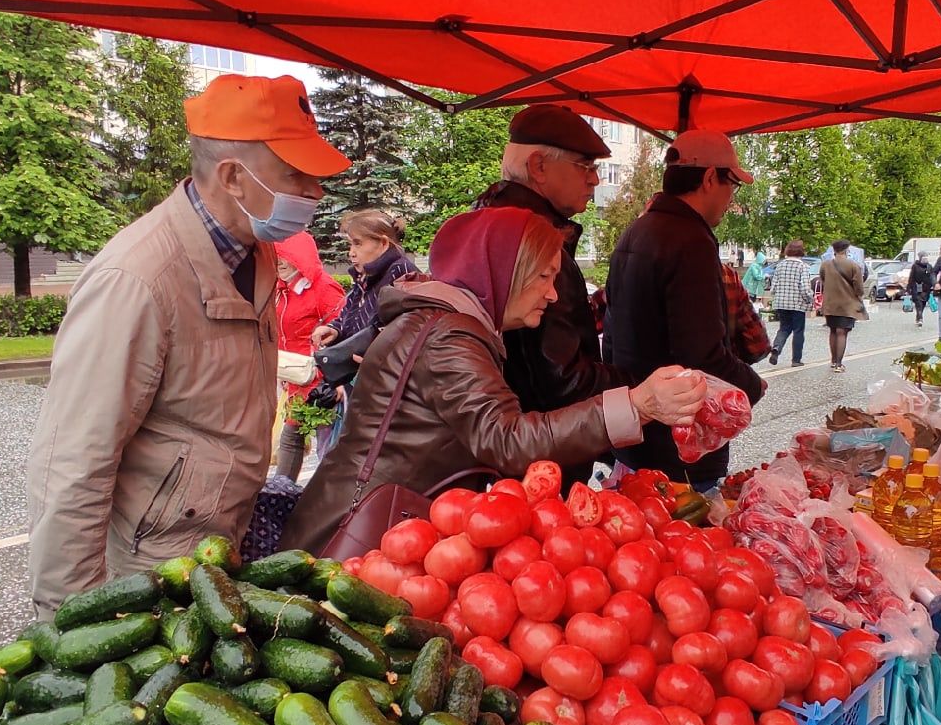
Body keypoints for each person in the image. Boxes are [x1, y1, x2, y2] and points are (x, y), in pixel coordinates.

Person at [25, 74, 346, 618]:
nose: (315, 192)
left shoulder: (255, 253)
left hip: (220, 555)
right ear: (232, 177)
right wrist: (70, 625)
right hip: (150, 576)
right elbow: (73, 464)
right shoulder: (137, 280)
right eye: (296, 175)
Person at [279, 209, 706, 553]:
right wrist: (636, 405)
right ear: (503, 271)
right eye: (543, 276)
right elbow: (506, 438)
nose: (553, 294)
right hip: (359, 538)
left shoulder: (446, 324)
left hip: (382, 527)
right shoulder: (448, 337)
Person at [474, 105, 633, 483]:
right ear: (539, 166)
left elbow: (534, 342)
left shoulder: (489, 219)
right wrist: (638, 385)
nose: (595, 180)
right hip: (541, 456)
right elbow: (558, 378)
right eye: (585, 166)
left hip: (508, 449)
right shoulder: (534, 239)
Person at [604, 130, 768, 489]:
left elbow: (612, 336)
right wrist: (753, 386)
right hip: (679, 446)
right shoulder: (690, 241)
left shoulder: (637, 230)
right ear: (710, 178)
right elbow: (703, 355)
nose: (730, 199)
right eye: (731, 185)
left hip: (635, 431)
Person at [273, 233, 346, 480]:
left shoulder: (323, 287)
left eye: (284, 255)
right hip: (296, 379)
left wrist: (335, 380)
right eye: (276, 256)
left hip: (322, 382)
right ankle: (283, 494)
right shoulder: (281, 290)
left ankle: (327, 502)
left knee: (327, 447)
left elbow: (345, 330)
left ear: (299, 257)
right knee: (294, 438)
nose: (279, 261)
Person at [311, 209, 416, 355]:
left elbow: (407, 338)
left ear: (383, 243)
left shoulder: (404, 276)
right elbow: (350, 318)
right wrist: (334, 330)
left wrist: (375, 361)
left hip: (381, 374)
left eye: (358, 244)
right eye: (350, 244)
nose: (351, 252)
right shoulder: (366, 276)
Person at [818, 238, 868, 371]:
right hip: (847, 303)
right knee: (842, 332)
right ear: (846, 250)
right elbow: (859, 287)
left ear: (834, 250)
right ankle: (839, 364)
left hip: (830, 303)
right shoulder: (853, 265)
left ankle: (833, 361)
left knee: (833, 331)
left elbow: (823, 280)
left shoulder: (825, 265)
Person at [766, 240, 813, 367]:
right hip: (797, 304)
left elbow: (773, 287)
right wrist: (810, 299)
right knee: (798, 331)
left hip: (781, 303)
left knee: (784, 328)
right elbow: (804, 288)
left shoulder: (780, 266)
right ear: (801, 252)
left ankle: (776, 348)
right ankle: (796, 360)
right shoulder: (802, 267)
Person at [907, 252, 934, 327]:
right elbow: (911, 277)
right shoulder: (915, 266)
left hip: (926, 288)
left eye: (926, 258)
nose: (925, 259)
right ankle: (920, 318)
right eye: (924, 258)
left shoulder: (929, 266)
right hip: (916, 287)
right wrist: (908, 288)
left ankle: (918, 316)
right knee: (918, 303)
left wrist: (933, 285)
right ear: (920, 258)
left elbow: (932, 276)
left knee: (923, 303)